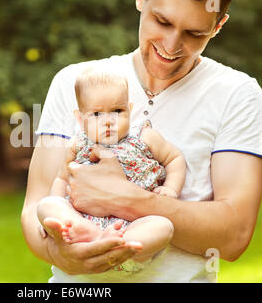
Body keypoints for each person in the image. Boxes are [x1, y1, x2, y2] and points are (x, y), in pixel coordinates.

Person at [21, 0, 262, 283]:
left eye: (195, 34)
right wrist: (60, 255)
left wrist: (125, 198)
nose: (171, 45)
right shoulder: (73, 82)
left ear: (218, 26)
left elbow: (234, 236)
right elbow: (36, 205)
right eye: (162, 22)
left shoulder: (237, 95)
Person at [37, 65, 186, 273]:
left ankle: (123, 246)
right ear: (80, 119)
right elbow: (62, 179)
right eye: (96, 114)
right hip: (84, 220)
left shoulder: (144, 137)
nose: (108, 121)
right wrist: (62, 211)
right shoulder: (78, 145)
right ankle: (88, 234)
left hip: (133, 224)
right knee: (46, 205)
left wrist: (171, 188)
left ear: (129, 109)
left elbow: (175, 158)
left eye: (117, 111)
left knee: (163, 226)